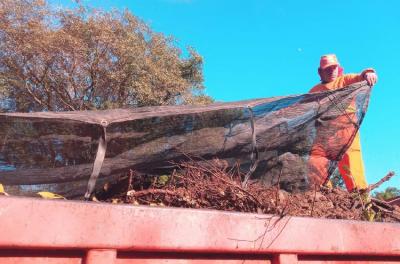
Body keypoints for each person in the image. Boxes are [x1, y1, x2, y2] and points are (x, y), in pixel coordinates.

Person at [308, 54, 378, 191]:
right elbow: (302, 108)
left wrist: (369, 73)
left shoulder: (345, 80)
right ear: (320, 71)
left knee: (352, 166)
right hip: (324, 135)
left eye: (334, 67)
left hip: (346, 131)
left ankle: (362, 202)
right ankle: (323, 197)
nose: (332, 71)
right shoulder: (314, 91)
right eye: (328, 68)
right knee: (317, 163)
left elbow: (361, 75)